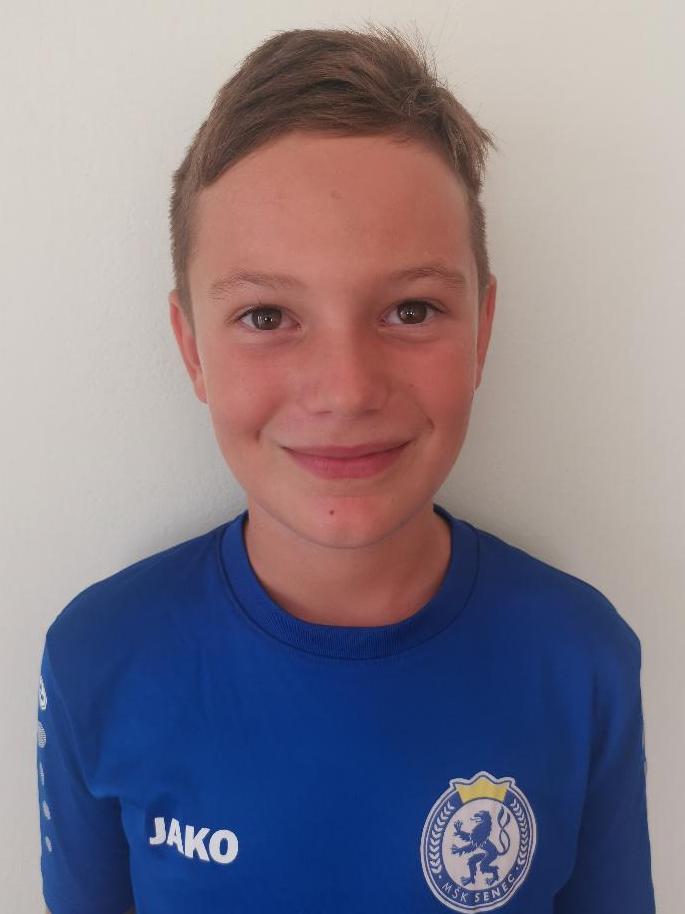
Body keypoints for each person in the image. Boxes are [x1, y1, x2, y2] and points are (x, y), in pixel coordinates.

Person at [36, 23, 655, 914]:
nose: (345, 389)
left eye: (410, 309)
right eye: (265, 317)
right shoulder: (100, 658)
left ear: (481, 330)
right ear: (192, 348)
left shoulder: (579, 658)